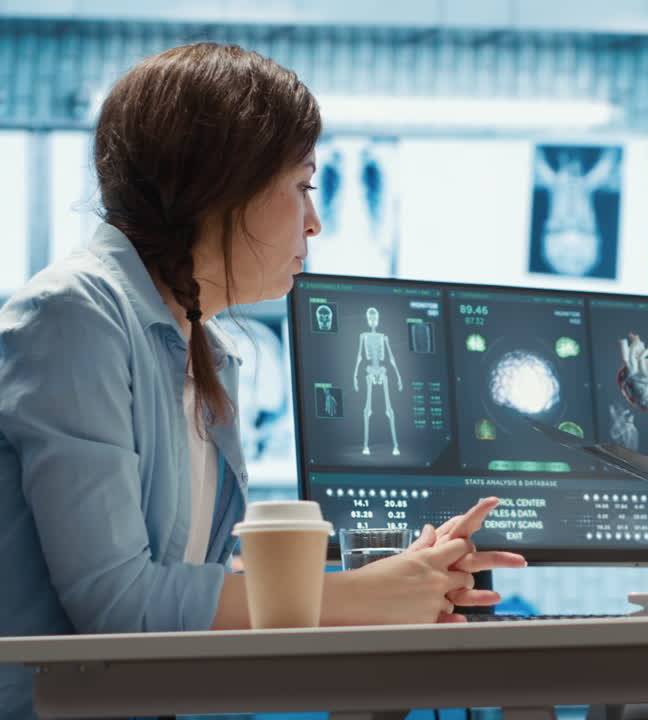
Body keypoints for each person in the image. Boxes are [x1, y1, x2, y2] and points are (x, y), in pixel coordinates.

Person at [0, 43, 525, 717]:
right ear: (222, 183)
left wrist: (399, 578)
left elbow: (195, 587)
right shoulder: (72, 317)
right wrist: (363, 598)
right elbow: (119, 603)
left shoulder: (206, 351)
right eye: (303, 185)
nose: (316, 221)